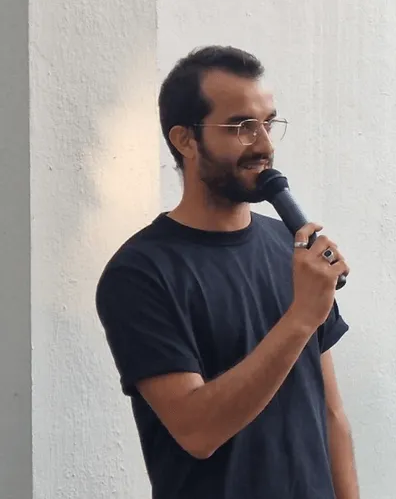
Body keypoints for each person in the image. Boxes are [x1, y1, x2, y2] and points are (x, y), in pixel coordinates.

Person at [95, 45, 360, 499]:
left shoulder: (291, 247)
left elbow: (331, 412)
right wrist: (301, 317)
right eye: (241, 127)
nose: (264, 145)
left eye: (268, 123)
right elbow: (197, 430)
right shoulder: (139, 273)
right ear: (185, 140)